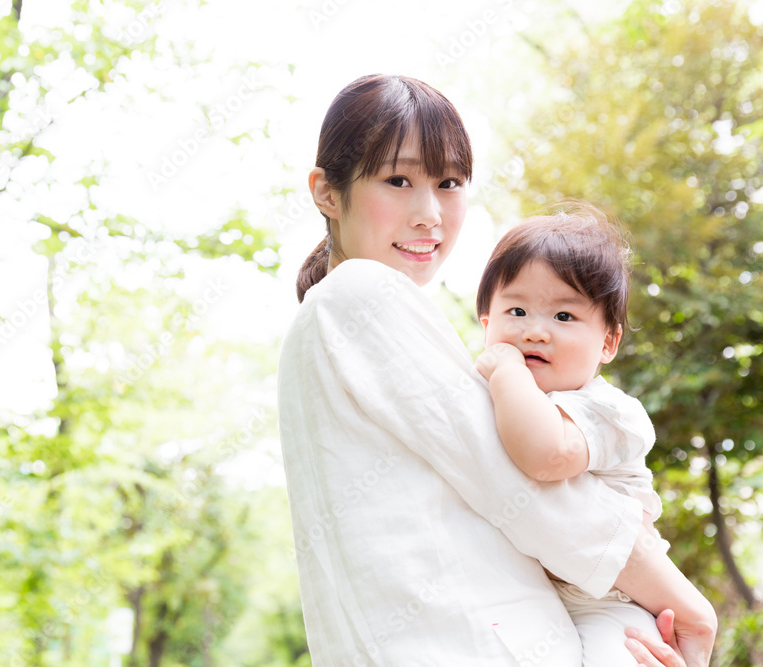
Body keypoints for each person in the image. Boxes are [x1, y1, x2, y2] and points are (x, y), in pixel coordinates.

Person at [278, 73, 717, 666]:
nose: (429, 214)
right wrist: (687, 605)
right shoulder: (360, 296)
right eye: (398, 179)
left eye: (449, 183)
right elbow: (525, 489)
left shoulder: (336, 317)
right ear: (327, 192)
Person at [473, 205, 715, 665]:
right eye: (517, 310)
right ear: (488, 326)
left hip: (614, 604)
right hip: (533, 595)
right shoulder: (487, 397)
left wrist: (507, 371)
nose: (536, 331)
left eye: (564, 316)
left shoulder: (611, 411)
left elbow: (546, 455)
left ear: (608, 343)